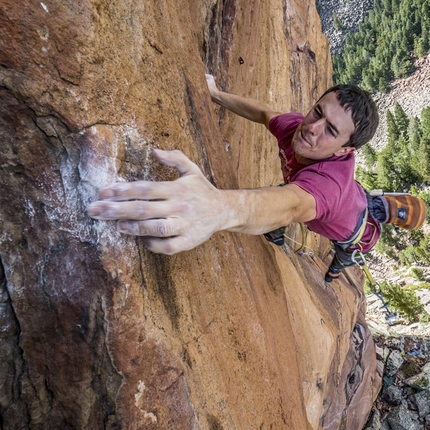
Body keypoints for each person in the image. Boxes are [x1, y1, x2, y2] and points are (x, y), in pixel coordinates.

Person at [88, 75, 380, 273]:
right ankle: (368, 204)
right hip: (311, 191)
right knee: (286, 194)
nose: (313, 128)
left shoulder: (327, 186)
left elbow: (293, 206)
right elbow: (265, 113)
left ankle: (351, 249)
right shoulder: (300, 128)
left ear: (345, 151)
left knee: (347, 248)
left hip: (351, 228)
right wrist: (215, 94)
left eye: (331, 131)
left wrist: (218, 207)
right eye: (318, 112)